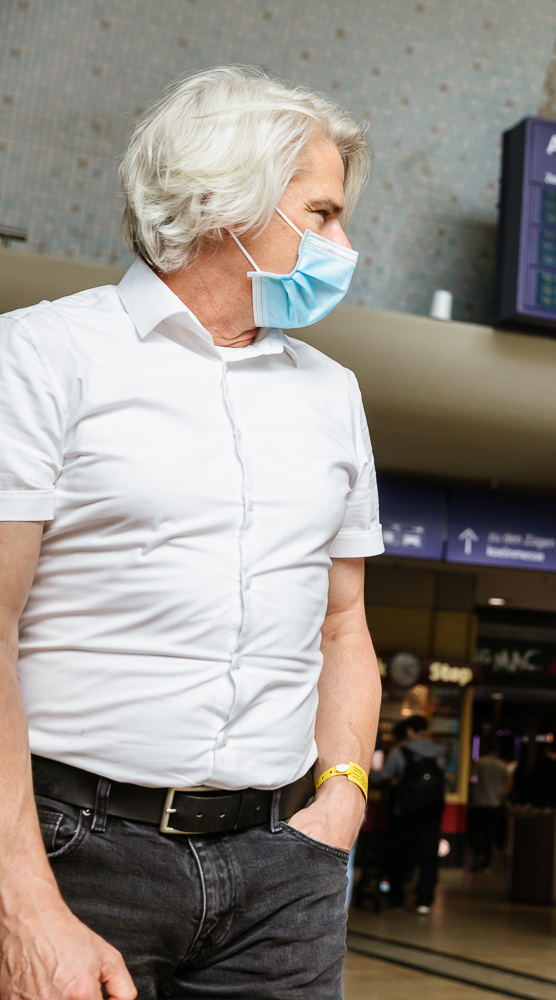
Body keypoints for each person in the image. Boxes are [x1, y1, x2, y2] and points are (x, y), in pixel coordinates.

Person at [0, 66, 380, 999]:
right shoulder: (41, 356)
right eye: (321, 213)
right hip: (75, 852)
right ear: (221, 201)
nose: (343, 243)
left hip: (285, 870)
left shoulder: (334, 394)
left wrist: (343, 802)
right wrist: (24, 905)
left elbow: (344, 626)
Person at [372, 716, 448, 914]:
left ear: (409, 731)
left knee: (399, 854)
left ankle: (396, 897)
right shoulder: (440, 752)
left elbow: (381, 774)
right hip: (431, 813)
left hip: (404, 812)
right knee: (429, 857)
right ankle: (424, 900)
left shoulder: (400, 751)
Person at [468, 740, 515, 871]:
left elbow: (472, 779)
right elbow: (510, 781)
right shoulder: (502, 765)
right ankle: (487, 860)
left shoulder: (479, 763)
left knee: (475, 831)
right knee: (489, 834)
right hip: (494, 803)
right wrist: (502, 797)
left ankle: (478, 854)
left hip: (478, 802)